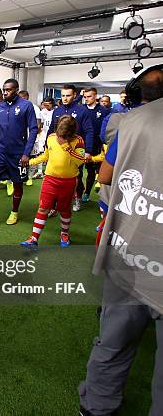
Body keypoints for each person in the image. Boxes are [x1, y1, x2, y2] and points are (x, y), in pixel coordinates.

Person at [79, 65, 163, 416]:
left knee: (113, 340)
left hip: (128, 251)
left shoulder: (129, 122)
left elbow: (106, 174)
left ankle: (97, 406)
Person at [20, 116, 85, 249]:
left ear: (71, 133)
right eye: (59, 133)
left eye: (63, 135)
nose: (59, 138)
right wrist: (30, 162)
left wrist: (66, 147)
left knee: (65, 210)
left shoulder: (78, 140)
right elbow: (46, 155)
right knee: (43, 208)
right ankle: (33, 238)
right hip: (50, 179)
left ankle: (64, 234)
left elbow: (81, 161)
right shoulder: (51, 137)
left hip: (69, 181)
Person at [0, 78, 38, 226]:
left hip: (18, 153)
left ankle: (14, 212)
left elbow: (33, 129)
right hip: (1, 151)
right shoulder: (1, 105)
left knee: (17, 184)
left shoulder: (26, 106)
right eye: (4, 90)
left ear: (16, 90)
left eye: (8, 90)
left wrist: (26, 153)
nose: (5, 92)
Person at [47, 84, 94, 212]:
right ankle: (53, 205)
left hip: (75, 150)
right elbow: (52, 129)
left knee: (76, 177)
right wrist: (47, 145)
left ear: (74, 95)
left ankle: (78, 198)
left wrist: (88, 151)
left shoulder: (82, 111)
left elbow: (89, 131)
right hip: (58, 150)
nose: (65, 98)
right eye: (63, 96)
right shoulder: (57, 111)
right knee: (55, 176)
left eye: (68, 95)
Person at [80, 87, 110, 203]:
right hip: (81, 145)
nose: (87, 99)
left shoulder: (104, 111)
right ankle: (78, 191)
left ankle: (87, 193)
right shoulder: (81, 109)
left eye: (89, 96)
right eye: (85, 97)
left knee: (92, 171)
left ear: (95, 96)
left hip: (96, 146)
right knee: (77, 171)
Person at [18, 90, 42, 186]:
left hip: (32, 137)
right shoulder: (18, 107)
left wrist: (34, 135)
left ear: (27, 97)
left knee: (32, 157)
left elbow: (38, 124)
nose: (20, 100)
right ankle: (21, 175)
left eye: (22, 98)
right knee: (21, 157)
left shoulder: (35, 108)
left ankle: (30, 177)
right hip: (21, 137)